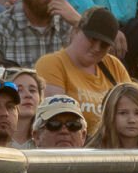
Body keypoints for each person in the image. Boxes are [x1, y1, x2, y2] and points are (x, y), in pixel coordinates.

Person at [34, 8, 130, 136]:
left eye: (104, 45)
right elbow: (56, 118)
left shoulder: (114, 66)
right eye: (92, 39)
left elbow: (132, 109)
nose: (96, 48)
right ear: (76, 31)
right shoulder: (51, 64)